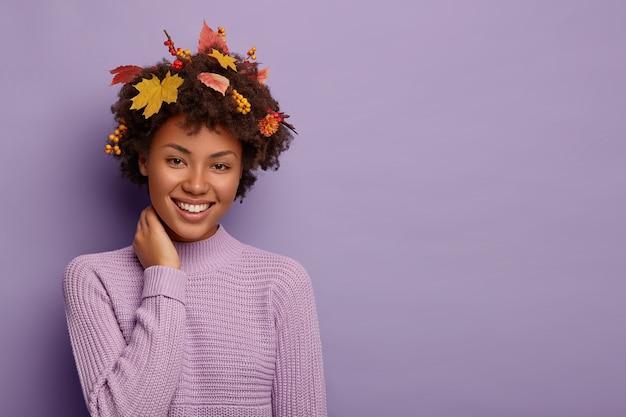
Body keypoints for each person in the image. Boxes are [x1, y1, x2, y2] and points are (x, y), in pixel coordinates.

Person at [63, 21, 326, 417]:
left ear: (242, 172)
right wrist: (163, 275)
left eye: (220, 166)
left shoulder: (281, 283)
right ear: (143, 160)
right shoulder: (92, 279)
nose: (198, 184)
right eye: (176, 160)